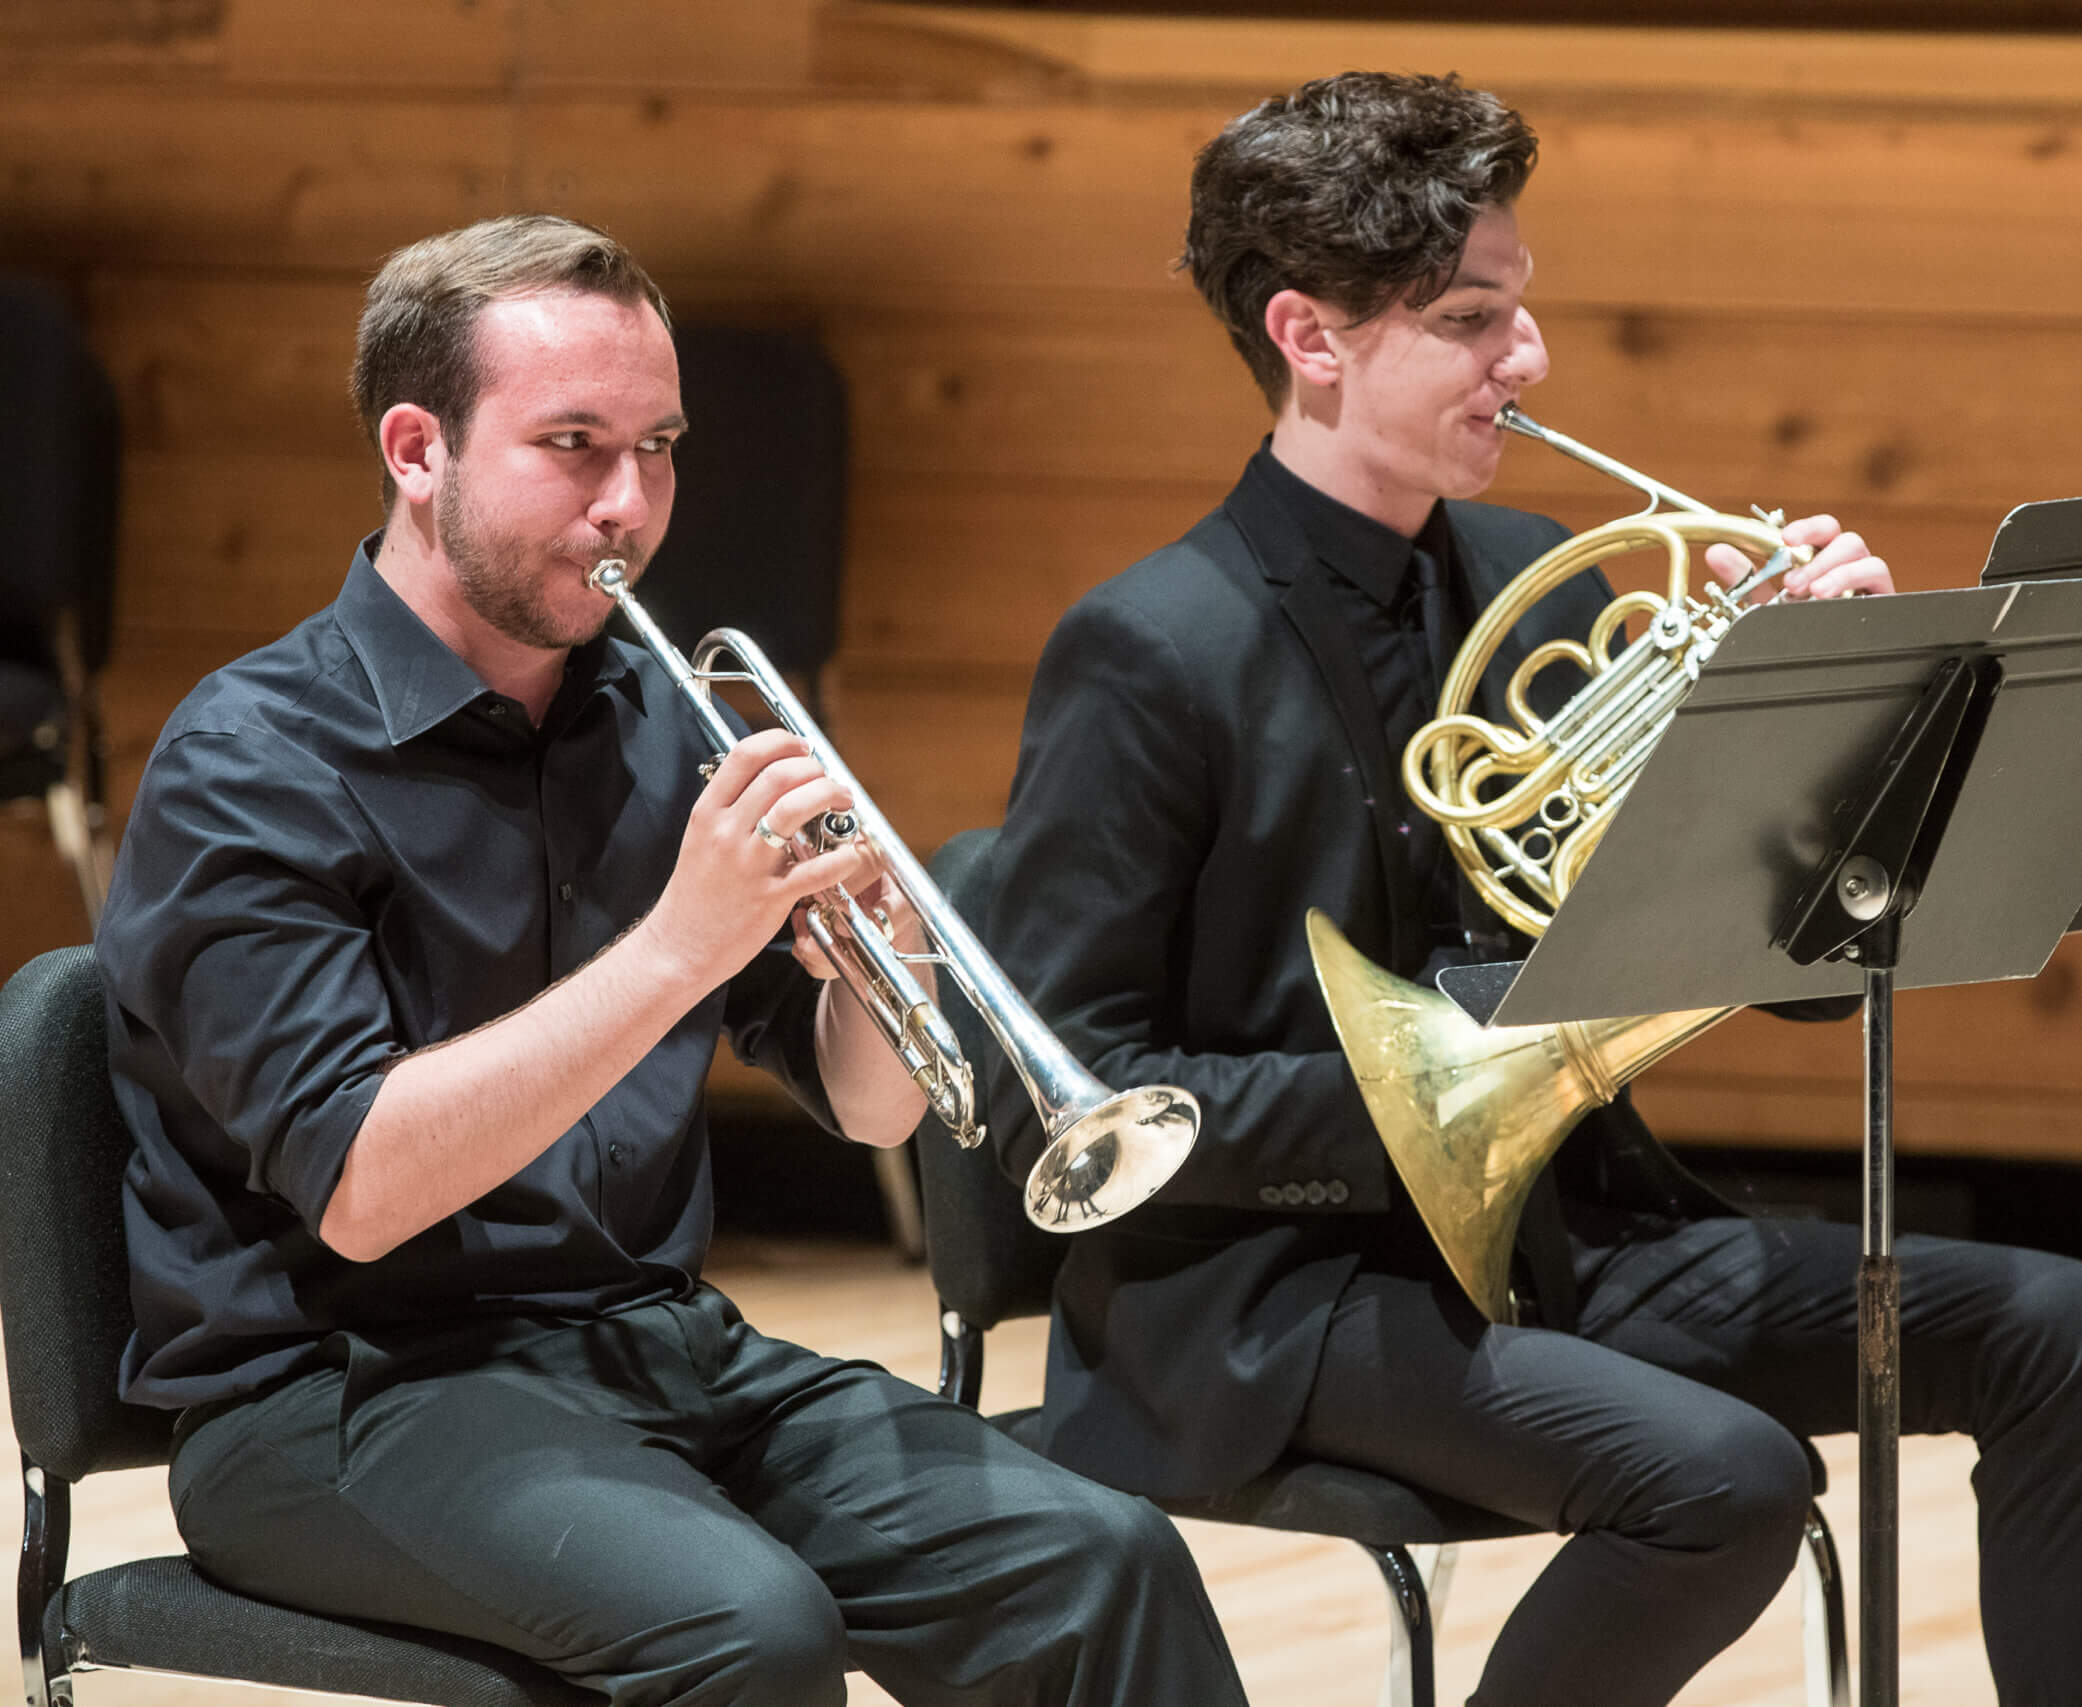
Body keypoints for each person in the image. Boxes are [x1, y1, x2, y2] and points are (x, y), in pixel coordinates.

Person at [979, 73, 2082, 1707]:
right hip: (1275, 1296)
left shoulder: (1539, 580)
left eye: (1520, 311)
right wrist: (1442, 1082)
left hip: (1567, 1235)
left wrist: (1832, 734)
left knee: (2071, 1327)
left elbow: (1804, 975)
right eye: (1473, 321)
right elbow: (1074, 1092)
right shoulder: (1151, 650)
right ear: (1311, 336)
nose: (1527, 361)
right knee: (1723, 1481)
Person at [95, 214, 1246, 1707]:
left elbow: (873, 1110)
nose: (628, 504)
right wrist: (678, 945)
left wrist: (874, 959)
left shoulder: (656, 712)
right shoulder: (249, 763)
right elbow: (365, 1190)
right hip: (333, 1395)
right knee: (745, 1629)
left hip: (649, 1348)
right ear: (415, 450)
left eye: (659, 445)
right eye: (572, 445)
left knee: (1101, 1560)